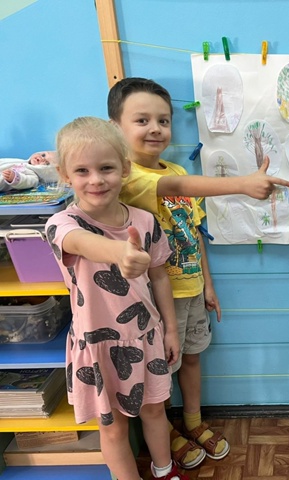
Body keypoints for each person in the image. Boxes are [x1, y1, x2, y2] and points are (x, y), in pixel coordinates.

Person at [107, 77, 289, 469]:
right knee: (161, 371)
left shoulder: (174, 166)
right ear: (115, 128)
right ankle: (165, 430)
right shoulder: (128, 178)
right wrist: (243, 184)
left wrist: (207, 284)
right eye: (142, 120)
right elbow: (177, 184)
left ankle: (192, 421)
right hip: (157, 300)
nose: (155, 129)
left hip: (191, 289)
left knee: (192, 358)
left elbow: (194, 232)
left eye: (163, 120)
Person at [45, 117, 189, 480]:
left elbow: (160, 276)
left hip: (146, 337)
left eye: (106, 168)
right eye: (82, 170)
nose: (95, 179)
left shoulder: (145, 221)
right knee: (112, 429)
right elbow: (81, 243)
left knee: (155, 411)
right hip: (96, 347)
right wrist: (120, 252)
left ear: (124, 169)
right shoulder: (61, 224)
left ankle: (165, 470)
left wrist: (172, 330)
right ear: (65, 174)